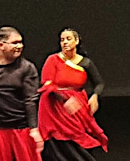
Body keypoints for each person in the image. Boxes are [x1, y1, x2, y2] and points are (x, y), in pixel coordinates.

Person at [38, 28, 108, 160]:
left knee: (78, 136)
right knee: (57, 142)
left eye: (68, 39)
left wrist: (95, 96)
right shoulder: (53, 59)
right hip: (54, 106)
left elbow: (99, 83)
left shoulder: (85, 62)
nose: (64, 42)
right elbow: (47, 84)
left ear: (77, 41)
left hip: (77, 105)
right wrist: (64, 99)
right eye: (62, 40)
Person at [0, 26, 43, 160]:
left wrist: (34, 129)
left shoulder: (26, 68)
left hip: (20, 130)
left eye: (21, 42)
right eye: (15, 42)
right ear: (1, 45)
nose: (20, 46)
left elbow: (30, 100)